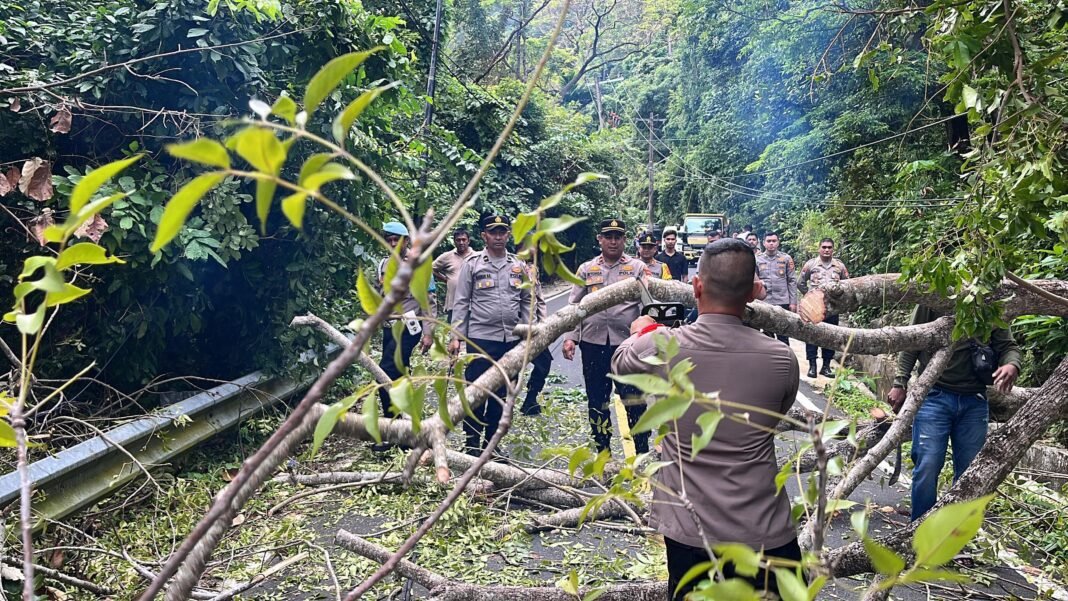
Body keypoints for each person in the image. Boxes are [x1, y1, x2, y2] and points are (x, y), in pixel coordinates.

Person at [612, 238, 800, 600]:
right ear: (754, 291)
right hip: (764, 531)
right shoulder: (782, 359)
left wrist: (645, 329)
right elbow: (778, 411)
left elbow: (621, 363)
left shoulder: (663, 346)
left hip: (690, 534)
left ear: (696, 286)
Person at [889, 306, 1020, 520]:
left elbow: (1008, 346)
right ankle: (920, 532)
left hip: (974, 400)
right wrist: (899, 382)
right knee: (928, 465)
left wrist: (1012, 365)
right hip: (933, 394)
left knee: (969, 474)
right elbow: (913, 340)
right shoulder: (933, 295)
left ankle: (954, 535)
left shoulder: (990, 302)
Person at [562, 218, 652, 455]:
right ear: (599, 239)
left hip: (628, 348)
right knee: (597, 400)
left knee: (634, 399)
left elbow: (649, 306)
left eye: (618, 237)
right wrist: (570, 337)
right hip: (593, 344)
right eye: (608, 236)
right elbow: (574, 307)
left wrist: (647, 338)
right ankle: (603, 450)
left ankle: (642, 450)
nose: (613, 241)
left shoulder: (637, 268)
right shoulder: (586, 269)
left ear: (624, 240)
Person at [449, 214, 532, 454]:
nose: (498, 236)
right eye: (493, 232)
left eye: (502, 231)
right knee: (476, 392)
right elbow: (461, 302)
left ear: (508, 234)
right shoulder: (473, 264)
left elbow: (527, 302)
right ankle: (472, 443)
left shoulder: (519, 266)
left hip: (510, 339)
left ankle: (491, 445)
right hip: (480, 339)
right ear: (484, 236)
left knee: (501, 395)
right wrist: (456, 337)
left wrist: (527, 333)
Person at [375, 222, 436, 451]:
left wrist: (428, 333)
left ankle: (398, 430)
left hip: (410, 327)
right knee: (397, 376)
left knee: (384, 372)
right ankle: (401, 431)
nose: (393, 244)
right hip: (389, 327)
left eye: (397, 240)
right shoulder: (383, 265)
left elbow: (429, 302)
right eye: (389, 239)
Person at [798, 238, 850, 378]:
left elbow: (847, 284)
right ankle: (812, 366)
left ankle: (826, 366)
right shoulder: (811, 265)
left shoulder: (839, 266)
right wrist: (809, 297)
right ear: (819, 248)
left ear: (833, 249)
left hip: (833, 308)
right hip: (814, 308)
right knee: (811, 335)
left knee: (830, 336)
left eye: (829, 247)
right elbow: (801, 283)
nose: (826, 250)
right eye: (824, 247)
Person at [520, 260, 552, 416]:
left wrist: (544, 325)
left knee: (544, 363)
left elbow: (540, 301)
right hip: (516, 330)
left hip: (534, 330)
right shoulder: (512, 267)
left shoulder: (533, 268)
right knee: (512, 368)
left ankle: (530, 400)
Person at [755, 232, 797, 345]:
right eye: (769, 241)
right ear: (763, 243)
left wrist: (793, 302)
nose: (771, 244)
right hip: (764, 303)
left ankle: (785, 360)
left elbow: (792, 281)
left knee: (783, 334)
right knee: (767, 335)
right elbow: (755, 282)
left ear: (778, 243)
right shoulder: (757, 260)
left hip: (782, 301)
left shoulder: (786, 259)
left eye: (774, 241)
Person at [432, 228, 474, 323]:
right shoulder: (447, 256)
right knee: (454, 333)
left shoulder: (476, 257)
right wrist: (446, 279)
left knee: (472, 335)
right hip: (453, 304)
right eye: (458, 240)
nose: (461, 242)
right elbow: (431, 268)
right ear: (454, 242)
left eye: (464, 239)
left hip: (473, 305)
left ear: (468, 241)